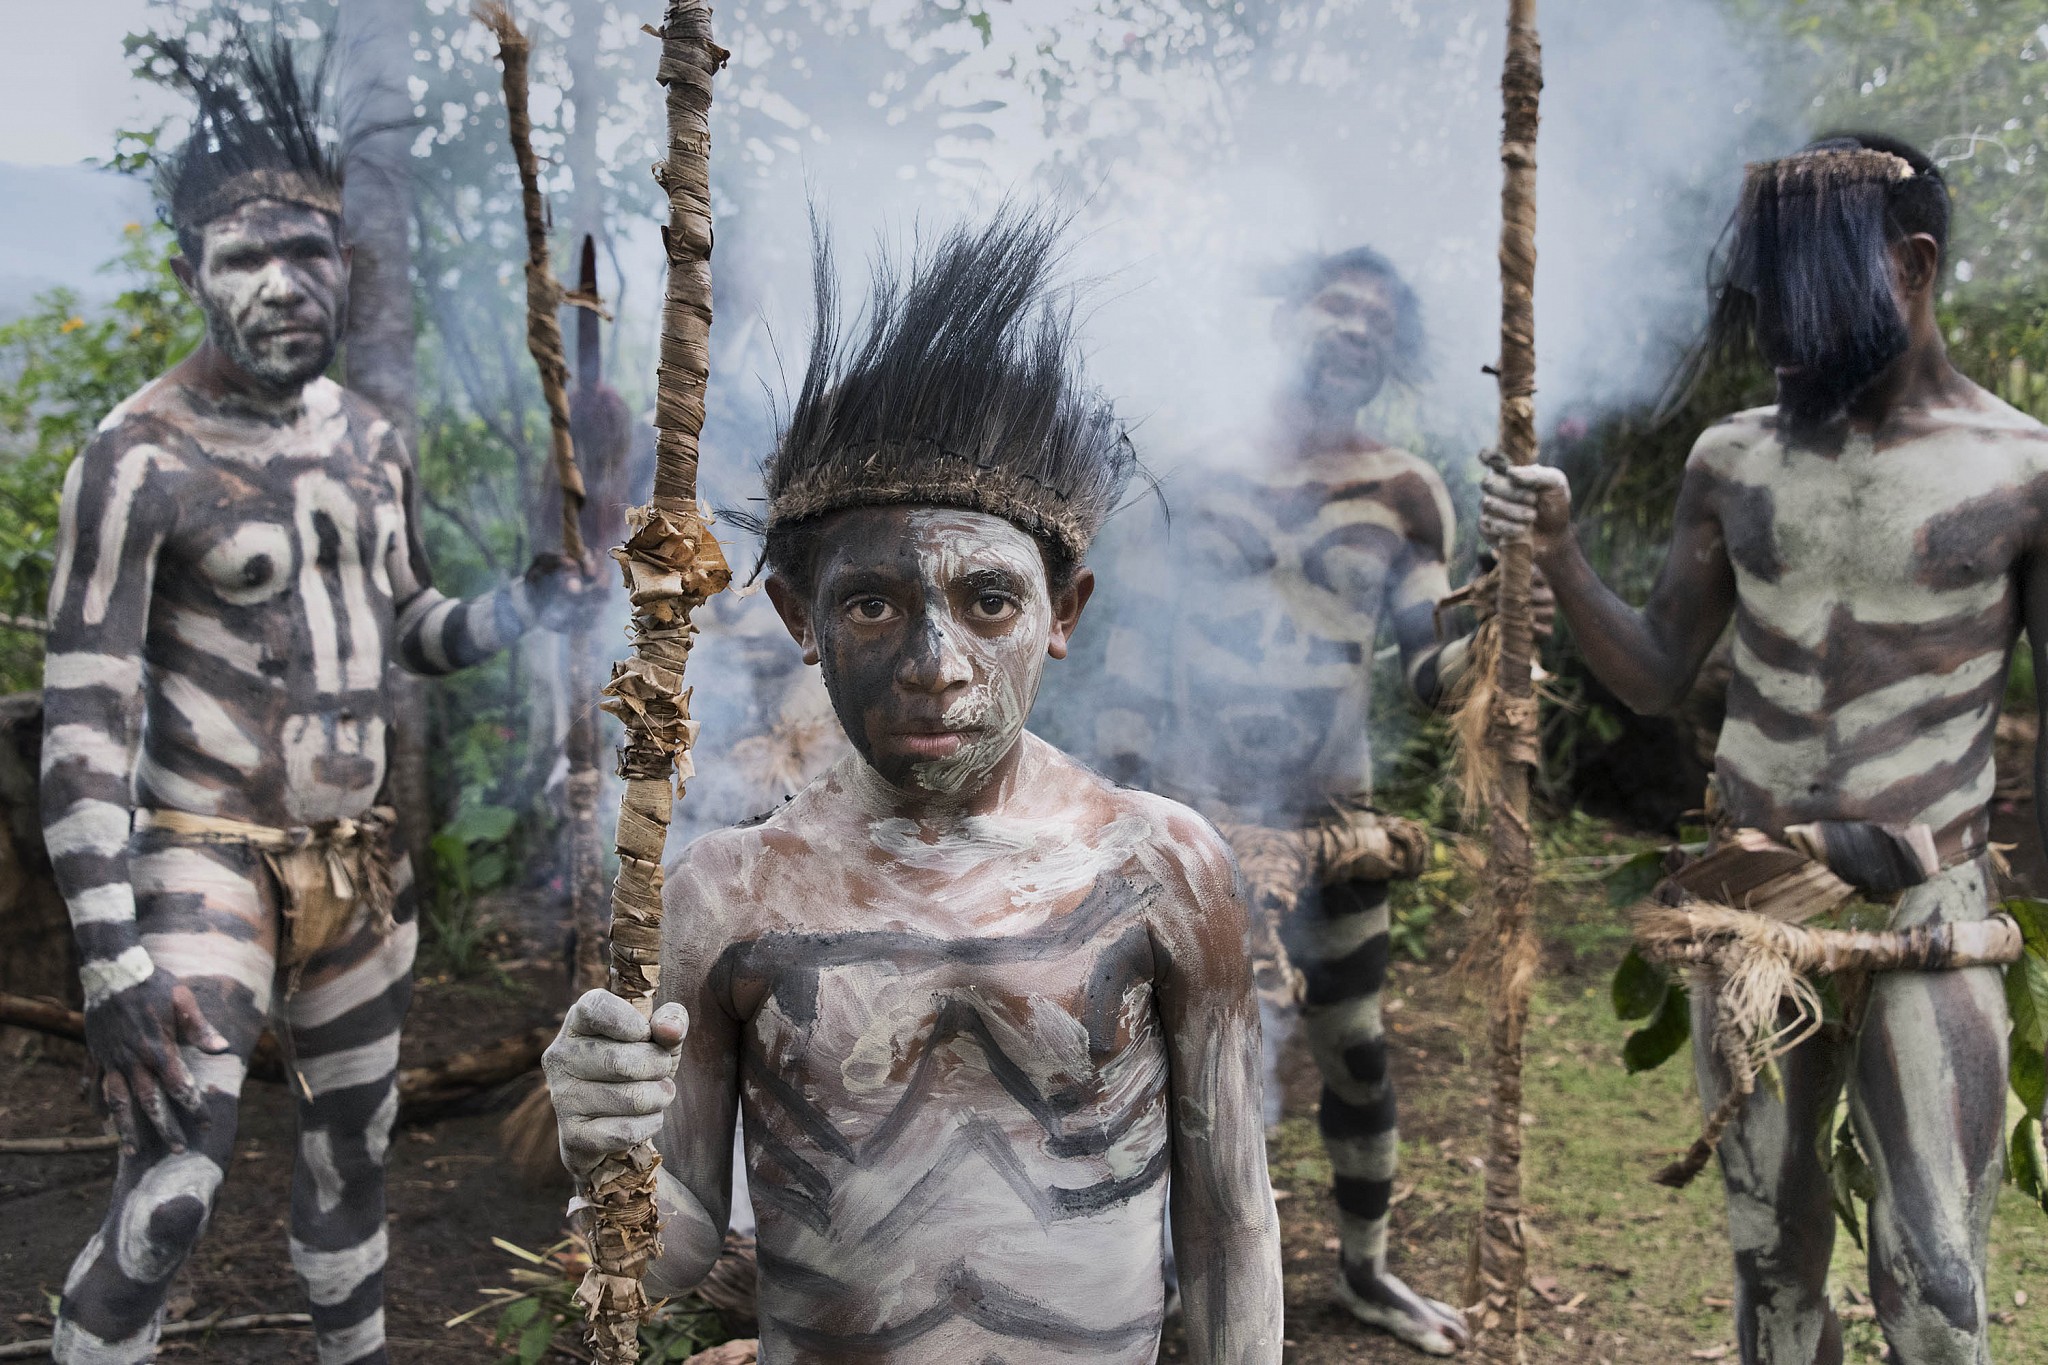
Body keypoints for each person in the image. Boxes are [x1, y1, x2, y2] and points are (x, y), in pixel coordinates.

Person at [543, 210, 1283, 1363]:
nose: (935, 664)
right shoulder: (723, 896)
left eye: (988, 599)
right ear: (799, 620)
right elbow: (668, 1251)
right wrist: (600, 1152)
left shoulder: (1156, 870)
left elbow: (1231, 1221)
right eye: (872, 602)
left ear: (1062, 614)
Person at [41, 33, 588, 1365]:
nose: (287, 285)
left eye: (315, 252)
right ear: (192, 271)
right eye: (245, 257)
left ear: (350, 262)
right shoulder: (137, 459)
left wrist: (522, 604)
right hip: (201, 862)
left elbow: (409, 626)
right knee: (174, 1189)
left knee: (355, 1164)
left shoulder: (367, 442)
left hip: (360, 864)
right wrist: (113, 962)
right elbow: (83, 720)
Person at [1483, 134, 2039, 1365]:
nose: (1780, 336)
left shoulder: (2023, 472)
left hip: (1925, 903)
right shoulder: (1731, 460)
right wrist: (1565, 554)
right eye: (1763, 304)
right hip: (1747, 893)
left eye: (1808, 302)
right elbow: (1650, 677)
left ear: (1912, 267)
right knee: (1769, 1271)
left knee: (1938, 1293)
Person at [1051, 246, 1540, 1355]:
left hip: (1332, 823)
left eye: (1379, 313)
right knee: (1162, 1052)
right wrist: (1110, 811)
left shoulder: (1406, 491)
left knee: (1354, 1044)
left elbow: (1428, 672)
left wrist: (1505, 609)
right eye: (1337, 301)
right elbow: (1131, 649)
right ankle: (1159, 1274)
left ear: (1392, 349)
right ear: (1290, 319)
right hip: (1192, 815)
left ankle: (1364, 1271)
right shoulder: (1193, 470)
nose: (1354, 324)